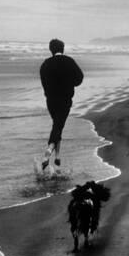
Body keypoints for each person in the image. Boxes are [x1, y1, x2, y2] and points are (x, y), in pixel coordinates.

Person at [39, 39, 83, 170]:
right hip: (65, 99)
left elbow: (44, 83)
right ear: (62, 49)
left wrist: (49, 93)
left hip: (51, 101)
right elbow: (80, 78)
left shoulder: (45, 64)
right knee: (58, 126)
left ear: (50, 50)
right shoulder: (69, 61)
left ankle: (57, 157)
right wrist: (70, 83)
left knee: (57, 126)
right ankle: (49, 151)